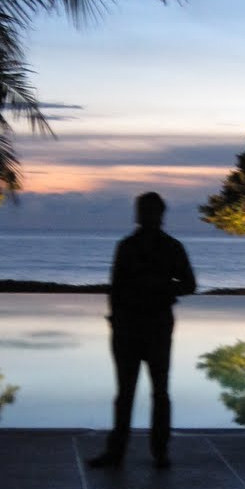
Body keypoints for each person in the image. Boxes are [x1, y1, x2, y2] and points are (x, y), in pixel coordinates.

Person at [89, 191, 196, 470]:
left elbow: (189, 284)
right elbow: (115, 287)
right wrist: (115, 319)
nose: (143, 215)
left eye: (147, 210)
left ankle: (159, 451)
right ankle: (118, 451)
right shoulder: (127, 246)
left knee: (158, 391)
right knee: (126, 392)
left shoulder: (171, 247)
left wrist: (160, 287)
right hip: (128, 327)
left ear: (159, 214)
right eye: (141, 210)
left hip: (156, 327)